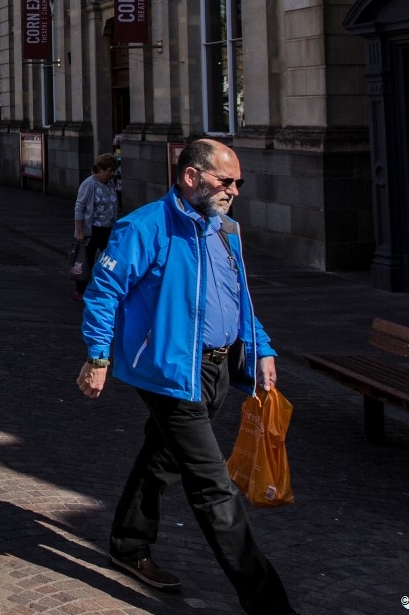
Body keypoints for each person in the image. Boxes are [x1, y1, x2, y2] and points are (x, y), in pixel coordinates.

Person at [79, 138, 295, 614]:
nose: (234, 190)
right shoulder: (144, 227)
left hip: (217, 368)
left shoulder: (225, 230)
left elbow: (239, 299)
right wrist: (98, 357)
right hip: (168, 371)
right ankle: (269, 604)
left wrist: (261, 350)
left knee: (162, 457)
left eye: (238, 182)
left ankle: (128, 544)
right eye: (226, 180)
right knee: (213, 487)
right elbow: (103, 292)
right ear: (191, 176)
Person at [73, 153, 119, 298]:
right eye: (109, 171)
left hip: (108, 229)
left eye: (113, 171)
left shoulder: (110, 183)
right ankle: (80, 291)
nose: (111, 174)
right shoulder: (89, 184)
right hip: (93, 229)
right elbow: (79, 208)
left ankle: (105, 289)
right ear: (100, 169)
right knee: (87, 261)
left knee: (110, 260)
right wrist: (79, 231)